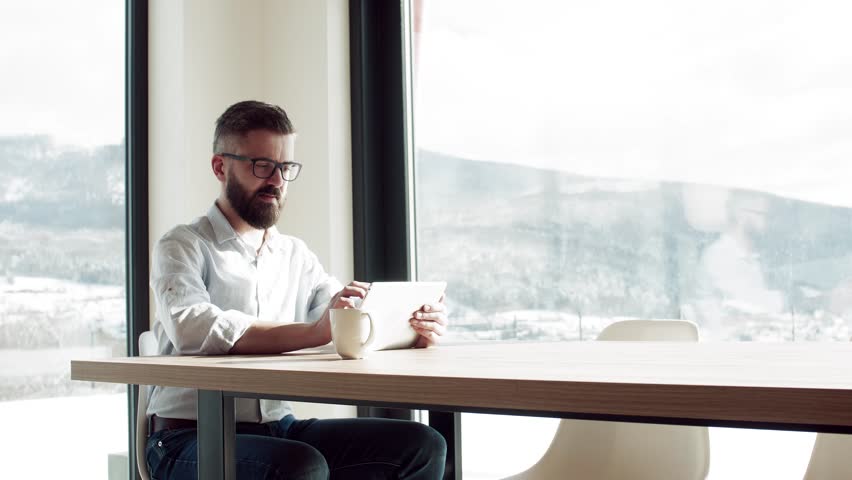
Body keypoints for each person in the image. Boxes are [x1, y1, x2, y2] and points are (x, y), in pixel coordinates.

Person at [146, 100, 448, 479]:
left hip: (279, 429)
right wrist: (313, 331)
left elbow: (347, 320)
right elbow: (193, 328)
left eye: (285, 167)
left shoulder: (295, 254)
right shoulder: (183, 244)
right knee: (300, 466)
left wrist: (408, 329)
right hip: (187, 438)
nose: (276, 180)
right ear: (220, 167)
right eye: (262, 165)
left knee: (421, 446)